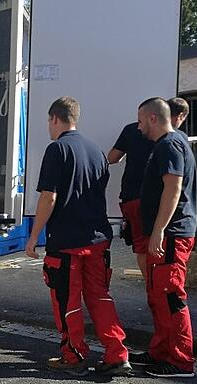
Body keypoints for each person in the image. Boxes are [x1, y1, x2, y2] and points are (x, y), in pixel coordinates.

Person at [25, 97, 130, 377]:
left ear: (55, 119)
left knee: (66, 300)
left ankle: (74, 354)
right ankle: (117, 353)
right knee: (100, 297)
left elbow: (49, 197)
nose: (48, 126)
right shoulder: (96, 151)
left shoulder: (57, 150)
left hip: (68, 242)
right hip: (98, 239)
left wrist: (33, 237)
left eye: (48, 121)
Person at [132, 98, 197, 378]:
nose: (138, 126)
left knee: (171, 296)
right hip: (166, 233)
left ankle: (181, 362)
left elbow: (173, 187)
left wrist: (159, 229)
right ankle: (160, 352)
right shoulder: (168, 144)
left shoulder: (170, 144)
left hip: (172, 234)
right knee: (158, 295)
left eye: (140, 120)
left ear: (153, 118)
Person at [108, 123, 155, 280]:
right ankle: (160, 289)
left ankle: (151, 287)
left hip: (133, 196)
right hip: (159, 198)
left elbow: (112, 158)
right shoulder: (170, 134)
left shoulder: (131, 130)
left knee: (141, 247)